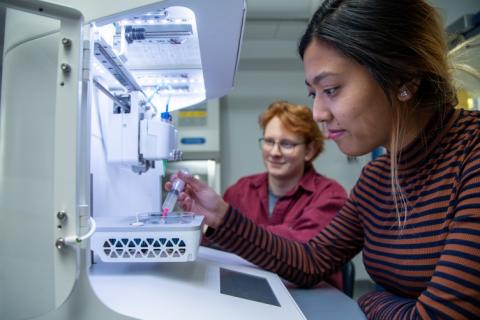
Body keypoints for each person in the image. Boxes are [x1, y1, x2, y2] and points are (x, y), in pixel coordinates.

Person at [167, 0, 480, 318]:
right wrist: (221, 216)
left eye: (331, 89)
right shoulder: (377, 178)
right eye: (313, 94)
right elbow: (311, 260)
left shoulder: (472, 156)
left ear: (404, 78)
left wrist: (370, 301)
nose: (318, 113)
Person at [221, 100, 347, 290]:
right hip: (249, 290)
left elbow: (304, 253)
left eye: (287, 144)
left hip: (310, 297)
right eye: (269, 141)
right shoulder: (240, 190)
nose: (274, 152)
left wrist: (230, 227)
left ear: (309, 150)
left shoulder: (330, 196)